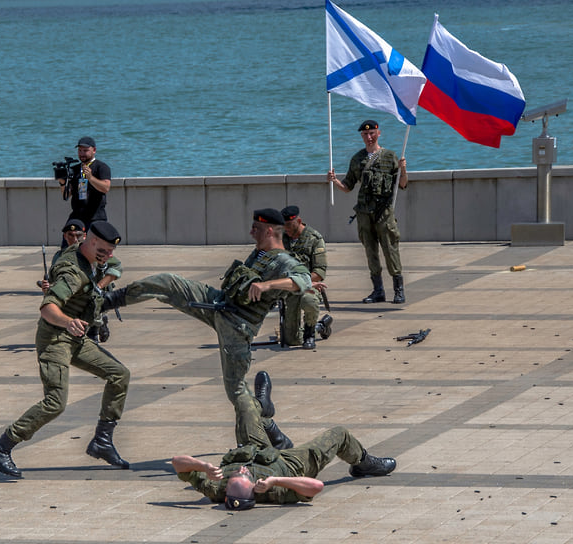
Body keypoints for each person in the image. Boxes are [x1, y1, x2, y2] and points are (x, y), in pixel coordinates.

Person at [103, 209, 310, 448]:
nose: (251, 232)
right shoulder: (262, 252)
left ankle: (267, 434)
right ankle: (108, 301)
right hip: (218, 303)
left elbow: (303, 281)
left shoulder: (284, 260)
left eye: (256, 228)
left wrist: (267, 285)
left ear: (270, 231)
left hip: (238, 325)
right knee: (168, 283)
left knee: (237, 392)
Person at [0, 221, 132, 478]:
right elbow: (47, 308)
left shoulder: (82, 252)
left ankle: (102, 442)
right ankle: (2, 447)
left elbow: (116, 267)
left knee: (119, 374)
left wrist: (99, 285)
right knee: (55, 403)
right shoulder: (71, 272)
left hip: (76, 337)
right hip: (55, 338)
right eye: (105, 251)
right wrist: (68, 321)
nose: (109, 257)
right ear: (93, 241)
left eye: (111, 252)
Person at [170, 371, 397, 510]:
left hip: (253, 449)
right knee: (339, 434)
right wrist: (276, 480)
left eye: (233, 475)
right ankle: (364, 463)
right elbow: (315, 487)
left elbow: (176, 462)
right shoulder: (275, 493)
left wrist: (202, 467)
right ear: (253, 489)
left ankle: (265, 413)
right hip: (288, 464)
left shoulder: (214, 488)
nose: (240, 469)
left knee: (243, 404)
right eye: (243, 474)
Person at [327, 120, 409, 304]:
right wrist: (334, 181)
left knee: (390, 249)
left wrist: (403, 170)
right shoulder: (357, 159)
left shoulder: (390, 157)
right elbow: (348, 186)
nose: (369, 137)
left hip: (384, 213)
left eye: (372, 133)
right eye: (365, 134)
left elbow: (402, 184)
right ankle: (378, 291)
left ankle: (399, 290)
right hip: (364, 213)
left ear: (379, 133)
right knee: (370, 251)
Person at [37, 218, 119, 343]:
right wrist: (47, 288)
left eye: (78, 235)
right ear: (65, 236)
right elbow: (56, 281)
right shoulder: (60, 257)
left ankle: (98, 325)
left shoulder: (95, 252)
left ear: (85, 236)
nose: (74, 239)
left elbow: (112, 269)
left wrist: (100, 285)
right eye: (70, 235)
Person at [280, 205, 333, 350]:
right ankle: (320, 326)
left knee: (308, 300)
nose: (288, 230)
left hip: (310, 286)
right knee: (292, 339)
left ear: (299, 221)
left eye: (290, 226)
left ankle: (309, 333)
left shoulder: (314, 238)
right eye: (284, 227)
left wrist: (301, 282)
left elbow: (320, 272)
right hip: (289, 288)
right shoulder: (282, 239)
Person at [57, 136, 111, 228]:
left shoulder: (101, 167)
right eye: (80, 151)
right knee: (67, 239)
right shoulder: (74, 169)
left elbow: (105, 188)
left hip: (96, 216)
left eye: (85, 151)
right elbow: (66, 195)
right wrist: (62, 182)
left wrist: (90, 178)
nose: (82, 154)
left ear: (94, 150)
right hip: (77, 216)